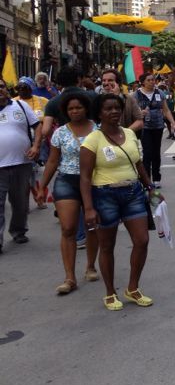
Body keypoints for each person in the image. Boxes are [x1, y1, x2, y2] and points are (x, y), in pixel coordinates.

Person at [80, 94, 160, 310]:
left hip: (133, 193)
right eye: (108, 109)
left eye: (117, 108)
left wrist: (151, 188)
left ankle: (132, 288)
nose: (114, 112)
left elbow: (139, 163)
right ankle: (109, 292)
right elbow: (85, 177)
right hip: (104, 195)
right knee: (107, 246)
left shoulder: (129, 133)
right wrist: (88, 208)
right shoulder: (92, 140)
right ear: (99, 113)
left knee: (142, 240)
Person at [37, 92, 99, 293]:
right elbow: (53, 161)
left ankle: (90, 266)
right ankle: (69, 277)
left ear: (85, 108)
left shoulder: (98, 130)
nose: (74, 111)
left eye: (78, 107)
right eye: (71, 109)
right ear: (66, 111)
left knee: (91, 226)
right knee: (68, 228)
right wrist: (42, 187)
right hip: (67, 181)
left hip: (93, 182)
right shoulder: (60, 133)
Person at [0, 79, 42, 251]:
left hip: (21, 162)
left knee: (20, 203)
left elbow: (37, 126)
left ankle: (18, 231)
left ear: (6, 89)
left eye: (1, 87)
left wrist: (36, 146)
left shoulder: (21, 106)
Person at [134, 73, 175, 188]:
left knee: (156, 153)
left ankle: (157, 178)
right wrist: (140, 113)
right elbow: (133, 110)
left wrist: (173, 123)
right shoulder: (136, 95)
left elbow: (166, 110)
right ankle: (147, 179)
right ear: (143, 82)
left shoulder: (159, 93)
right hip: (145, 127)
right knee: (147, 153)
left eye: (153, 80)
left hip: (158, 126)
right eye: (149, 80)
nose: (152, 82)